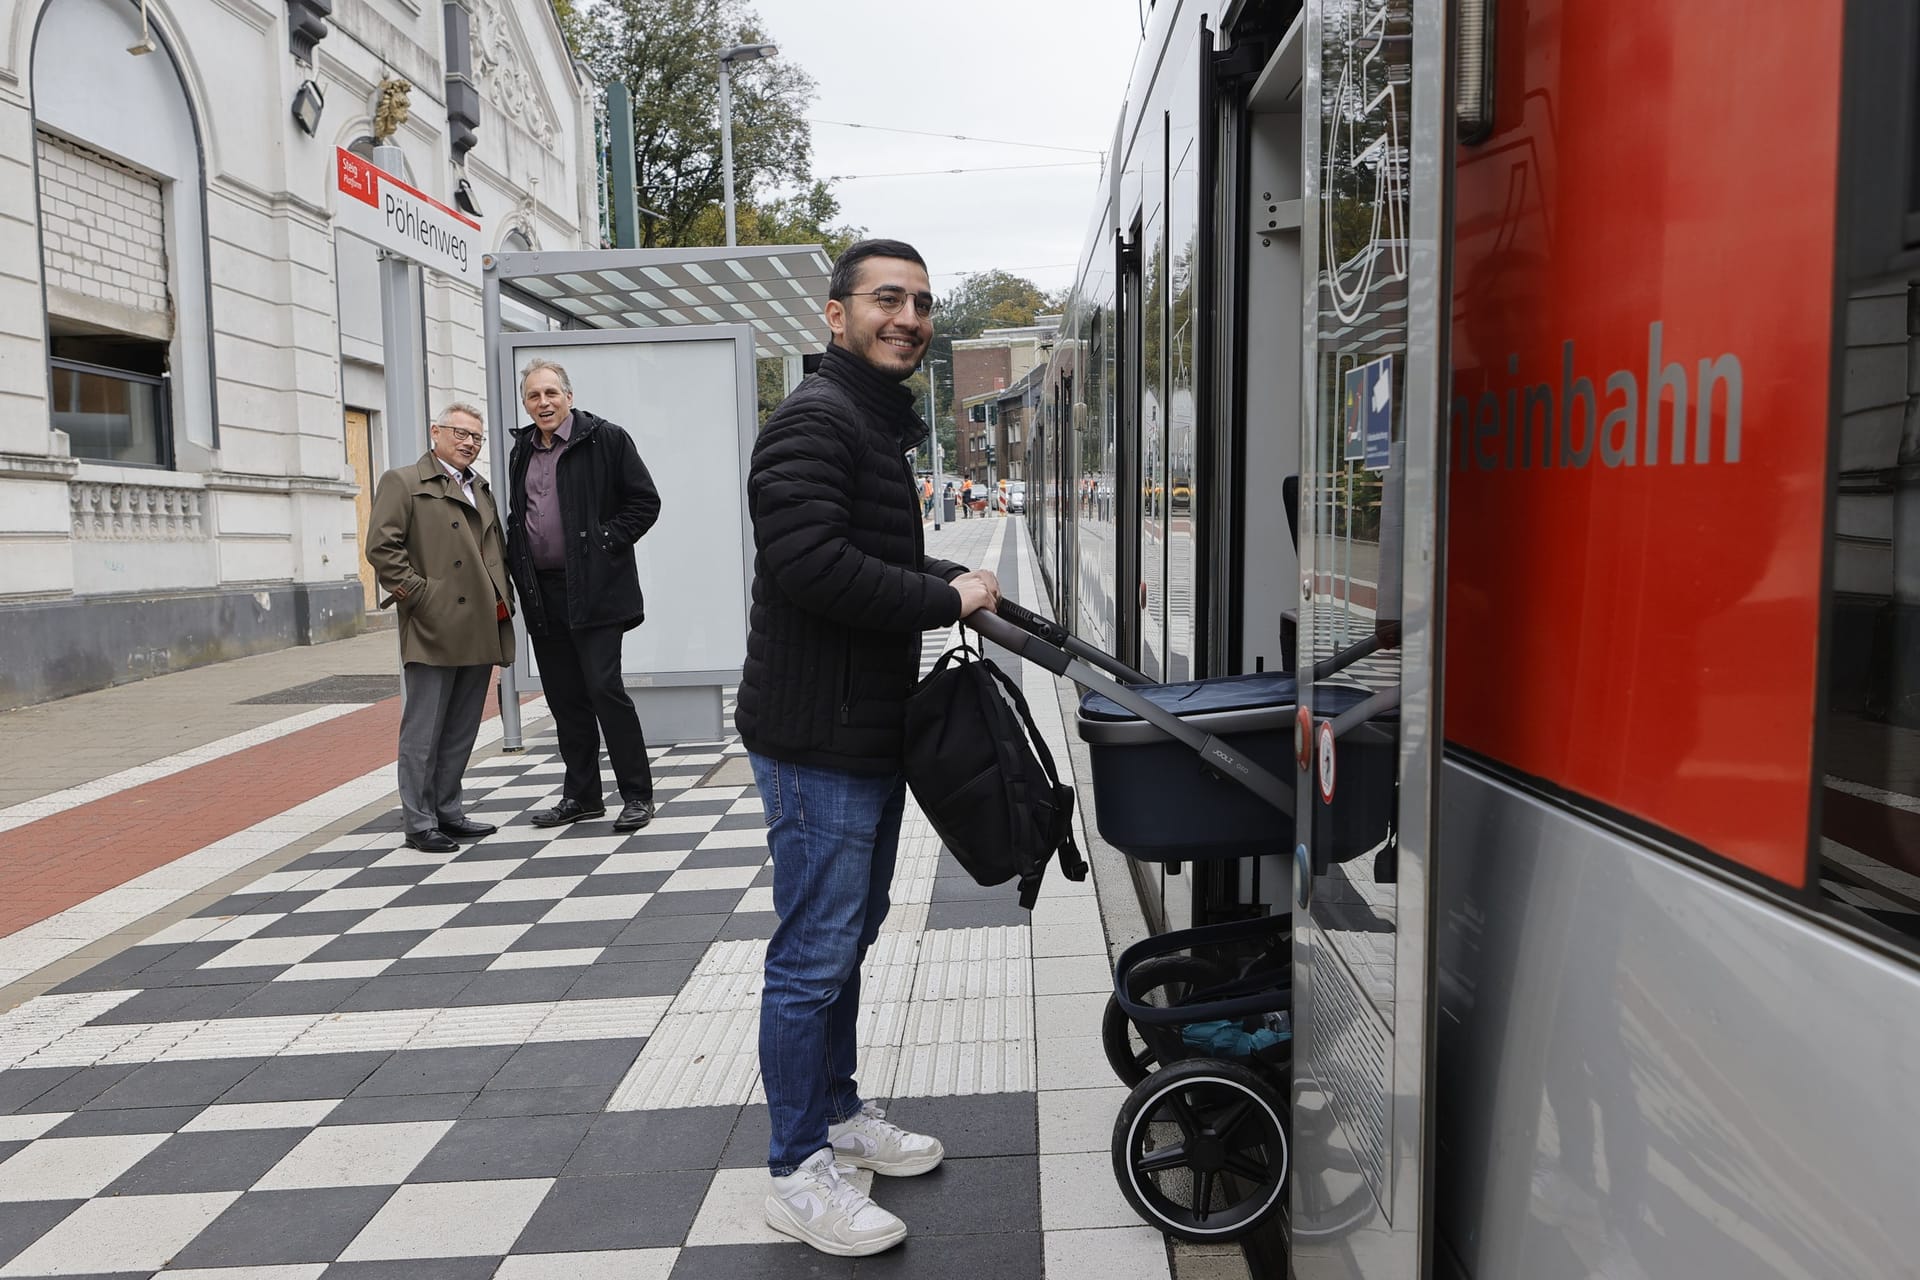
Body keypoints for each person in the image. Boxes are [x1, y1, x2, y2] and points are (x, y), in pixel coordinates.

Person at [735, 238, 1001, 1257]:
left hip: (857, 725)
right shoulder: (816, 419)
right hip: (817, 736)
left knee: (844, 936)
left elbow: (865, 550)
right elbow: (810, 564)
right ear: (834, 315)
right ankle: (797, 1167)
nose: (910, 316)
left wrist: (945, 573)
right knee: (812, 955)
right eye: (888, 298)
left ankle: (839, 1112)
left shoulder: (867, 422)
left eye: (923, 302)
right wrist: (944, 594)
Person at [505, 359, 663, 833]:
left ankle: (637, 794)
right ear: (526, 402)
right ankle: (583, 796)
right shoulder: (522, 452)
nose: (543, 403)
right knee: (564, 699)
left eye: (551, 393)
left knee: (604, 689)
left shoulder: (606, 439)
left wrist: (604, 541)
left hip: (595, 591)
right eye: (534, 396)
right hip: (544, 594)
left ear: (569, 397)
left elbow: (645, 502)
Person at [366, 403, 514, 853]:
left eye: (476, 437)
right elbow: (382, 549)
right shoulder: (404, 481)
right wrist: (423, 596)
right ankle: (419, 821)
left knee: (462, 726)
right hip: (433, 624)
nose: (469, 442)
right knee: (423, 728)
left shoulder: (480, 487)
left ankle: (449, 810)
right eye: (460, 433)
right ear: (436, 432)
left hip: (480, 622)